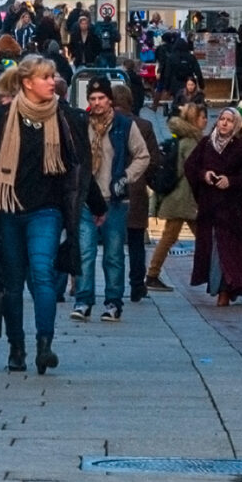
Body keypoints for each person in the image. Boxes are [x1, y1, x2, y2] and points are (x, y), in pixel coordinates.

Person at [0, 58, 88, 374]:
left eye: (53, 77)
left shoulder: (64, 118)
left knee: (41, 272)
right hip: (9, 211)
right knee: (12, 283)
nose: (53, 82)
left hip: (47, 211)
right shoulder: (3, 119)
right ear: (27, 82)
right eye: (46, 77)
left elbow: (79, 167)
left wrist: (96, 207)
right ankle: (17, 348)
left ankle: (44, 345)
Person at [72, 80, 150, 322]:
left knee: (113, 254)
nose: (96, 103)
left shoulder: (124, 125)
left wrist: (126, 177)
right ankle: (84, 300)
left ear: (110, 100)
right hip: (86, 199)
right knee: (85, 252)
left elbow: (142, 155)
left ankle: (113, 302)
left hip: (114, 200)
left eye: (101, 98)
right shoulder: (82, 124)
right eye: (92, 99)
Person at [188, 106, 242, 301]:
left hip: (231, 210)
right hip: (209, 208)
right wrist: (205, 175)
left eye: (229, 120)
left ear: (236, 125)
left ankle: (226, 290)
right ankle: (221, 287)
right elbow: (191, 167)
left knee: (226, 251)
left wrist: (231, 181)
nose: (224, 123)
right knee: (213, 249)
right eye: (221, 119)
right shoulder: (206, 144)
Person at [142, 100, 204, 291]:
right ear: (194, 119)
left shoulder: (185, 140)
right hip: (183, 200)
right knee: (192, 237)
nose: (205, 121)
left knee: (183, 237)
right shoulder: (191, 142)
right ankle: (152, 275)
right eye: (202, 117)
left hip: (180, 199)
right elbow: (191, 172)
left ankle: (153, 274)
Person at [116, 86, 156, 304]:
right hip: (137, 189)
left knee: (113, 243)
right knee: (136, 241)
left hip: (112, 190)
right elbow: (153, 161)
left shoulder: (108, 124)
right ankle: (137, 286)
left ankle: (115, 287)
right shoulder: (145, 125)